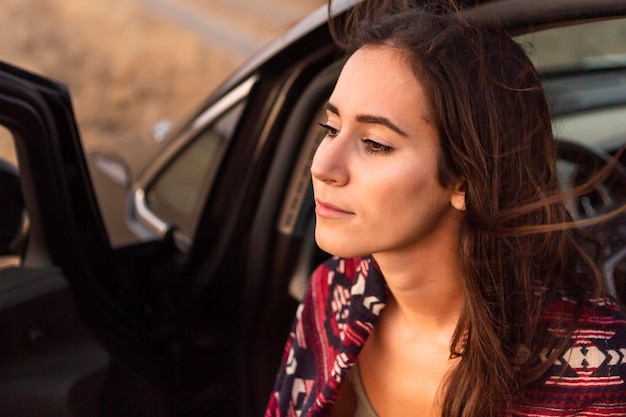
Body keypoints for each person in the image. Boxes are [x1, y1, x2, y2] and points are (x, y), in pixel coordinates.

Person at [264, 1, 626, 416]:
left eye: (376, 144)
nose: (322, 166)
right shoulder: (333, 294)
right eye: (331, 128)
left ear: (464, 178)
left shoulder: (598, 373)